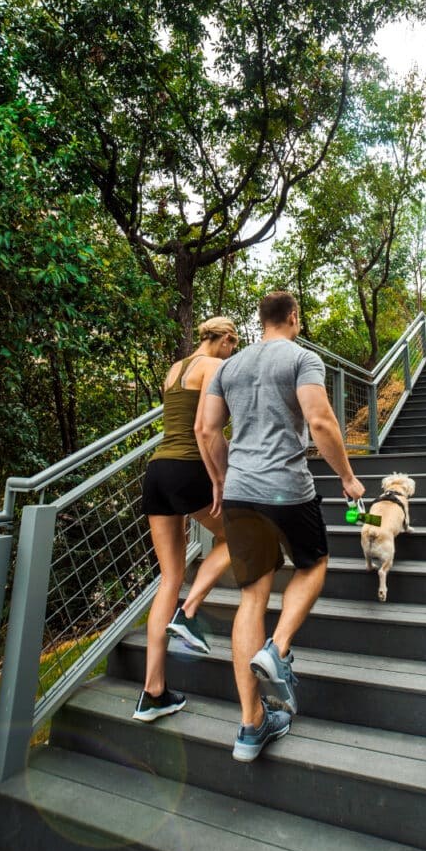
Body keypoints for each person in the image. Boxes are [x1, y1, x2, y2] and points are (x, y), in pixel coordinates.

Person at [199, 291, 365, 761]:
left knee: (252, 596)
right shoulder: (302, 358)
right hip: (287, 489)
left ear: (259, 321)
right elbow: (320, 420)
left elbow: (208, 430)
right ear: (293, 318)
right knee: (313, 563)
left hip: (240, 492)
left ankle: (251, 727)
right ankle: (279, 647)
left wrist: (226, 477)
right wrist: (348, 479)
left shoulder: (229, 367)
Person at [133, 316, 240, 722]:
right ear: (226, 339)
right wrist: (219, 477)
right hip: (189, 467)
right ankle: (189, 613)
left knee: (169, 577)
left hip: (157, 471)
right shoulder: (217, 367)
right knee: (240, 538)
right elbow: (205, 429)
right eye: (234, 345)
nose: (234, 352)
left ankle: (153, 692)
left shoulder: (174, 370)